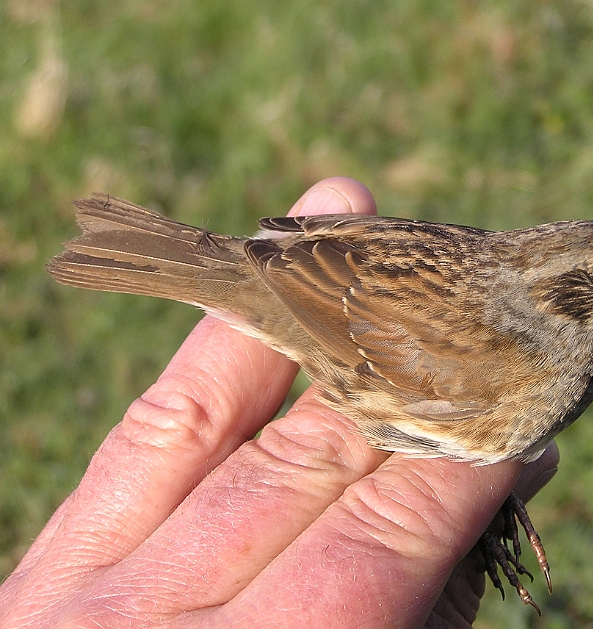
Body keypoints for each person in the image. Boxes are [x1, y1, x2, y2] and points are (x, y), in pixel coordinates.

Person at [0, 178, 558, 628]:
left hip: (328, 269)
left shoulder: (496, 264)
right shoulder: (510, 365)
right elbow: (357, 332)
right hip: (326, 314)